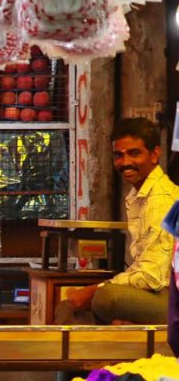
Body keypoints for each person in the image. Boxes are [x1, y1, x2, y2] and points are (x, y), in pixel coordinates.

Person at [66, 118, 179, 325]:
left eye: (134, 153)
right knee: (101, 301)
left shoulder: (161, 200)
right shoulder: (140, 195)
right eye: (119, 155)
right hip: (163, 292)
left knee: (106, 298)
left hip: (172, 298)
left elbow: (150, 277)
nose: (125, 162)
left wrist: (94, 291)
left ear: (155, 154)